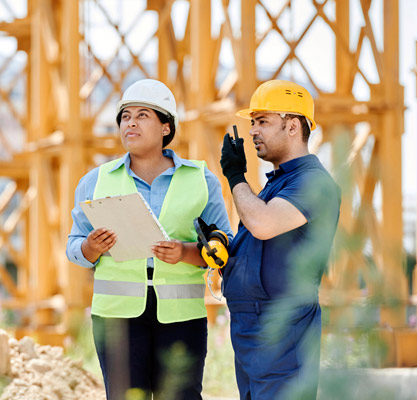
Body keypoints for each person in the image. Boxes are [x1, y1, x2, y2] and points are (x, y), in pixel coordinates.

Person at [66, 79, 233, 400]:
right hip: (116, 318)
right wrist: (91, 248)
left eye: (142, 115)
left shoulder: (201, 180)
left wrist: (185, 252)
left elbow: (224, 246)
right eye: (125, 116)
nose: (130, 122)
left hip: (182, 317)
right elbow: (74, 246)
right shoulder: (94, 181)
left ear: (165, 127)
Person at [218, 80, 341, 399]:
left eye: (263, 121)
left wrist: (235, 177)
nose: (253, 131)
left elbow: (263, 223)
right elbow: (259, 244)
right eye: (252, 123)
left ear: (293, 126)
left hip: (283, 338)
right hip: (252, 335)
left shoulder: (314, 183)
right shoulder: (276, 186)